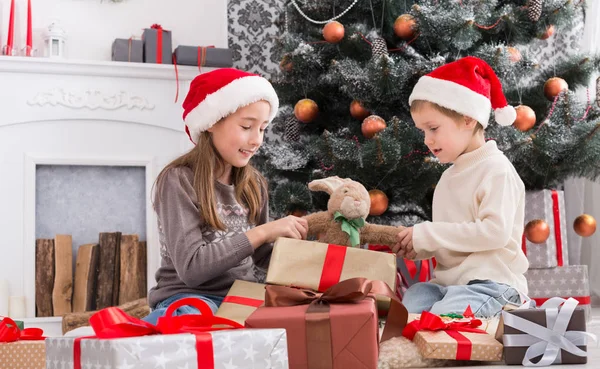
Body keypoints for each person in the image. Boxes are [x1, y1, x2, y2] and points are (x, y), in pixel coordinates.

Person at [143, 68, 308, 324]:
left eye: (263, 129)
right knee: (188, 319)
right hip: (191, 297)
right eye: (246, 126)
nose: (256, 140)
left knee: (296, 320)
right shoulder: (178, 180)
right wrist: (263, 231)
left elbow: (262, 256)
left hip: (243, 299)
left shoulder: (254, 184)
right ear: (211, 122)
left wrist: (308, 258)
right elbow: (192, 270)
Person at [393, 56, 529, 317]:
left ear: (468, 119)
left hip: (490, 284)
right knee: (410, 304)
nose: (427, 140)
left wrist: (430, 234)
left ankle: (503, 314)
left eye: (433, 128)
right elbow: (453, 239)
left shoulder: (496, 170)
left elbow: (494, 233)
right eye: (423, 131)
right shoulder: (448, 178)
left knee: (445, 320)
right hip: (448, 286)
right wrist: (419, 246)